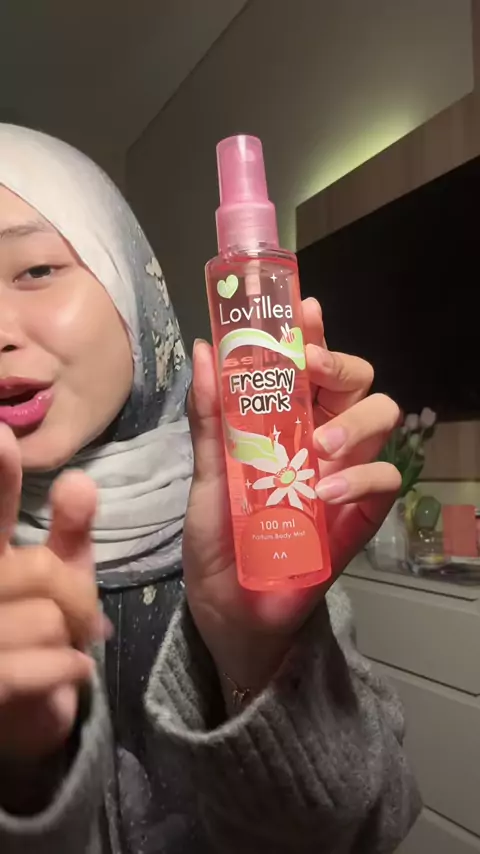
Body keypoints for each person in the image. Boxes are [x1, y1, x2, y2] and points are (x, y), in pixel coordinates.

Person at [0, 124, 420, 854]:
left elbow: (370, 830)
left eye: (35, 270)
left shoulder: (250, 509)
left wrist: (258, 657)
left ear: (132, 285)